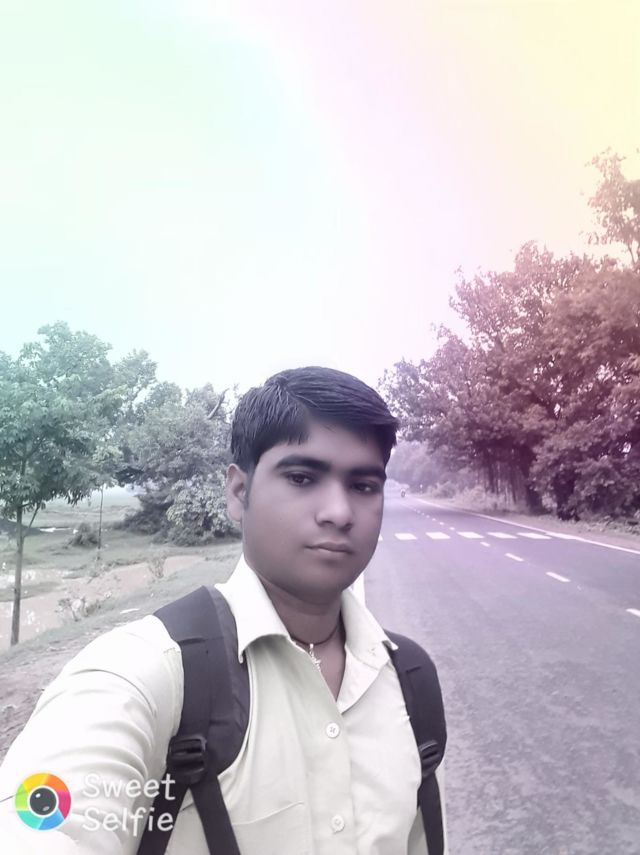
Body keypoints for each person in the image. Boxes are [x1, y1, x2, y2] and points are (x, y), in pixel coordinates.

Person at [0, 366, 447, 854]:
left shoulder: (408, 680)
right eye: (302, 478)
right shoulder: (144, 676)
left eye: (363, 486)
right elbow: (40, 821)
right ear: (239, 493)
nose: (339, 512)